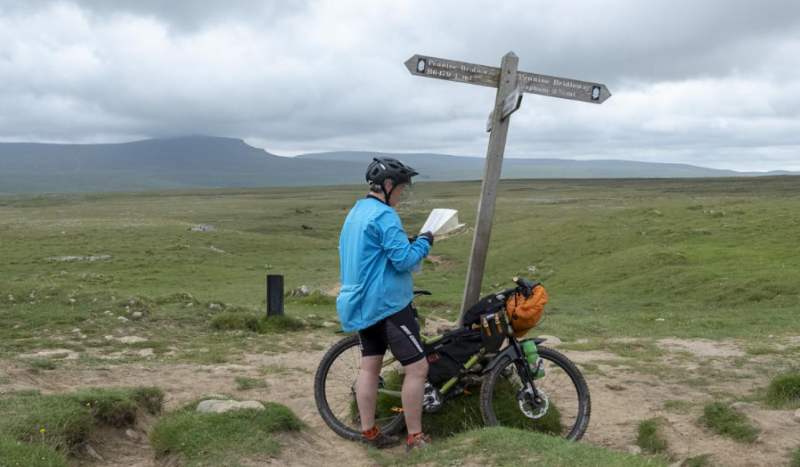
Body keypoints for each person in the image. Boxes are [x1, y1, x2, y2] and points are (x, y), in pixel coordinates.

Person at [337, 157, 434, 452]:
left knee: (369, 368)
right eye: (402, 190)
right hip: (388, 305)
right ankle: (415, 438)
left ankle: (370, 433)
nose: (402, 196)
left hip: (360, 304)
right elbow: (404, 259)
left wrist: (406, 243)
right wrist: (425, 242)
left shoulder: (355, 213)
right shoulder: (384, 215)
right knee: (417, 369)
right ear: (388, 186)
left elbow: (374, 254)